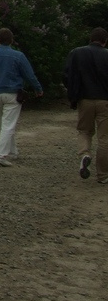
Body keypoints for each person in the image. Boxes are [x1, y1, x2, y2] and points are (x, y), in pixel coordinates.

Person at [0, 28, 42, 166]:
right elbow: (29, 74)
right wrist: (37, 88)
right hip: (12, 93)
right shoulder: (18, 56)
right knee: (8, 125)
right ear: (11, 40)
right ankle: (1, 155)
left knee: (4, 124)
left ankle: (12, 151)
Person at [64, 27, 108, 184]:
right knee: (104, 138)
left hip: (84, 99)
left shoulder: (76, 53)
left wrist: (73, 94)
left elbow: (67, 75)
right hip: (105, 101)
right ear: (105, 41)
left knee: (84, 131)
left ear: (90, 39)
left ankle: (84, 154)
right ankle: (103, 175)